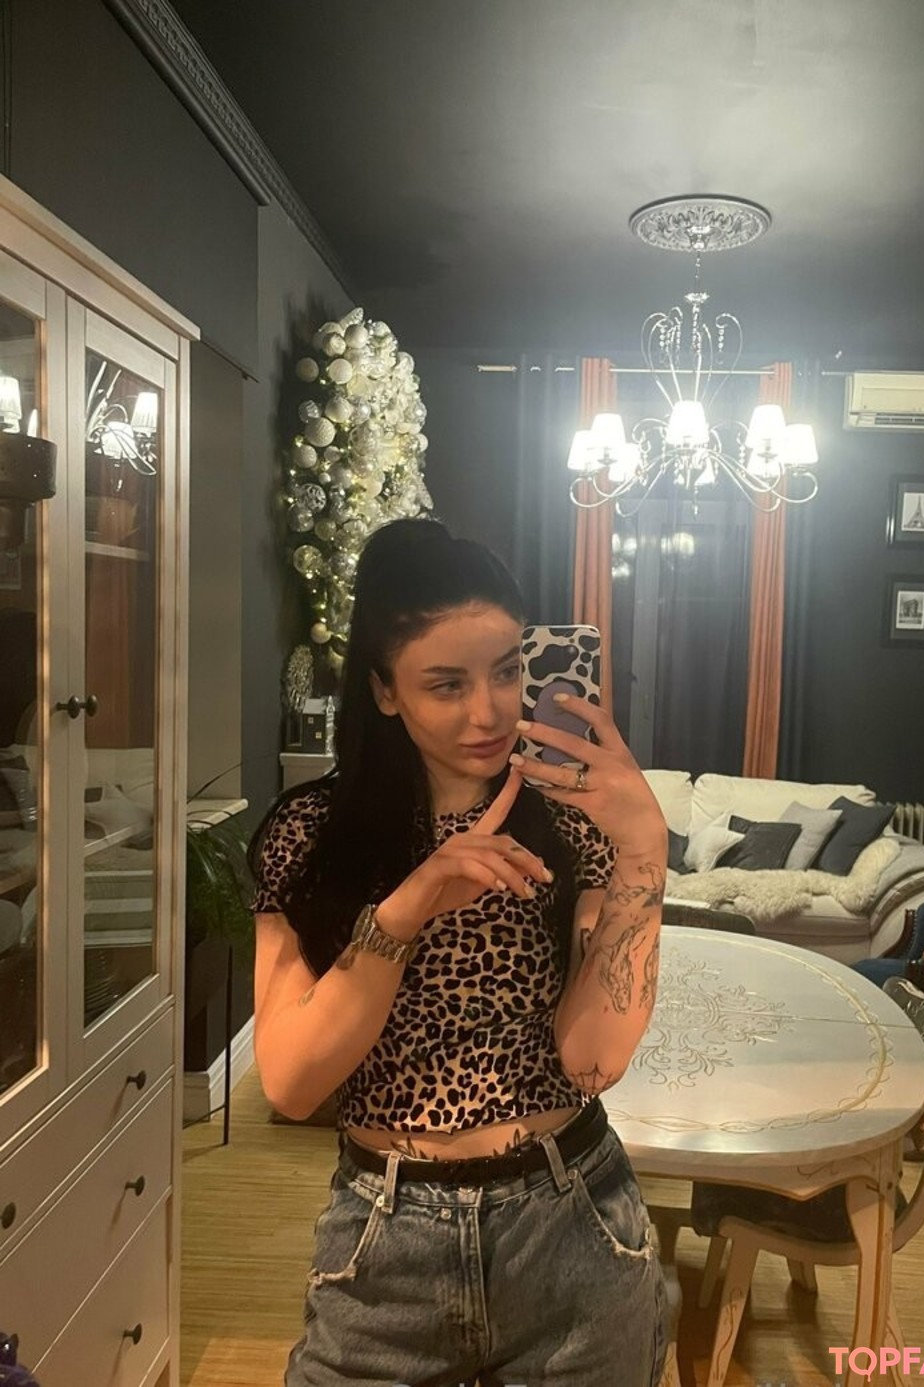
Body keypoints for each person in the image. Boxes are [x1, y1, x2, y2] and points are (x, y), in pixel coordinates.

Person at [250, 517, 669, 1386]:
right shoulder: (312, 837)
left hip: (571, 1224)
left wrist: (643, 852)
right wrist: (408, 907)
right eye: (446, 683)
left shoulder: (571, 825)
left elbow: (593, 1060)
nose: (489, 711)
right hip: (385, 1243)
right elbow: (291, 1082)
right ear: (384, 690)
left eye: (507, 671)